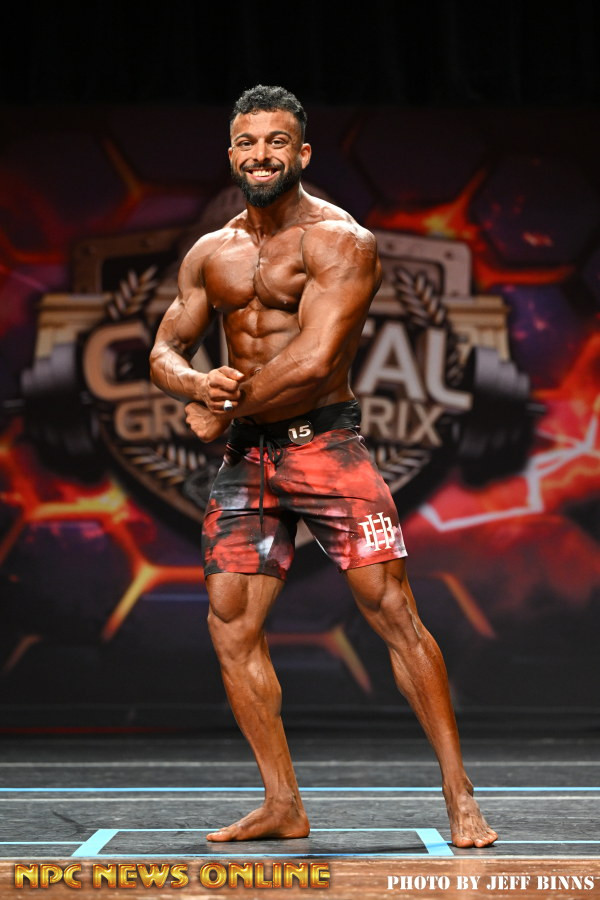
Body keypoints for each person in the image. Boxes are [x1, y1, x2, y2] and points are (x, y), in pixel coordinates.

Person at [149, 85, 497, 849]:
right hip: (248, 459)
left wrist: (223, 407)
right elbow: (164, 349)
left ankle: (460, 794)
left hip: (324, 448)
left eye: (277, 142)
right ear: (232, 154)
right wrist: (195, 385)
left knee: (393, 613)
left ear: (302, 153)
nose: (261, 155)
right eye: (247, 142)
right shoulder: (211, 252)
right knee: (231, 624)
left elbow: (312, 361)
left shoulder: (341, 242)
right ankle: (282, 804)